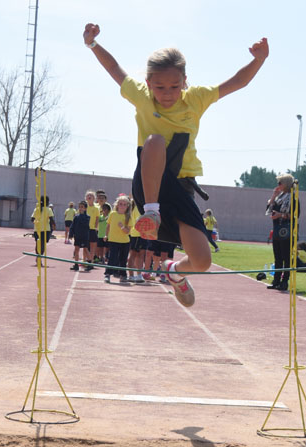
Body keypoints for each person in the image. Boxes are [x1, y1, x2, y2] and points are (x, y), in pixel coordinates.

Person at [83, 22, 268, 307]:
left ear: (184, 81)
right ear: (148, 84)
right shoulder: (142, 98)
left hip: (181, 187)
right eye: (159, 87)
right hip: (150, 183)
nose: (167, 93)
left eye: (173, 86)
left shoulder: (196, 99)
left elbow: (237, 82)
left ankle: (174, 273)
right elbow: (115, 70)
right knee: (155, 140)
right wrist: (93, 44)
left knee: (202, 260)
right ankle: (152, 213)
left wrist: (258, 60)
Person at [265, 174, 299, 291]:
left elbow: (295, 216)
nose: (278, 185)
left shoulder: (293, 198)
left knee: (286, 258)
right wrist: (274, 195)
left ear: (286, 184)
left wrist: (281, 215)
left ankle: (285, 282)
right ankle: (276, 280)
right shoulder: (279, 197)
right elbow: (268, 210)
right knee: (277, 258)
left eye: (280, 183)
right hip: (277, 231)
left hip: (287, 232)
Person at [104, 195, 132, 283]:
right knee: (112, 258)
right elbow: (108, 226)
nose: (122, 206)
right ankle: (107, 274)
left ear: (127, 206)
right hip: (113, 240)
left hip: (124, 241)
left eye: (124, 204)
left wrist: (122, 227)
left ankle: (123, 275)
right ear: (117, 205)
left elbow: (127, 231)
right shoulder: (112, 214)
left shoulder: (128, 217)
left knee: (123, 259)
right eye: (120, 204)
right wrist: (106, 235)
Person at [68, 201, 93, 271]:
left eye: (82, 207)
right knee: (76, 249)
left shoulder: (87, 217)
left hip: (84, 236)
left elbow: (85, 225)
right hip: (77, 236)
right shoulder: (76, 217)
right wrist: (71, 234)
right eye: (79, 207)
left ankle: (90, 264)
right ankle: (76, 264)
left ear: (85, 208)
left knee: (85, 249)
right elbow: (72, 226)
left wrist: (82, 215)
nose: (80, 208)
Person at [31, 195, 55, 262]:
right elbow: (51, 219)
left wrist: (35, 222)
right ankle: (39, 257)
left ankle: (38, 256)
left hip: (37, 229)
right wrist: (54, 225)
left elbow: (32, 219)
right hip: (45, 230)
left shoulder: (36, 209)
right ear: (47, 202)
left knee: (37, 243)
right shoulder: (49, 209)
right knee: (43, 245)